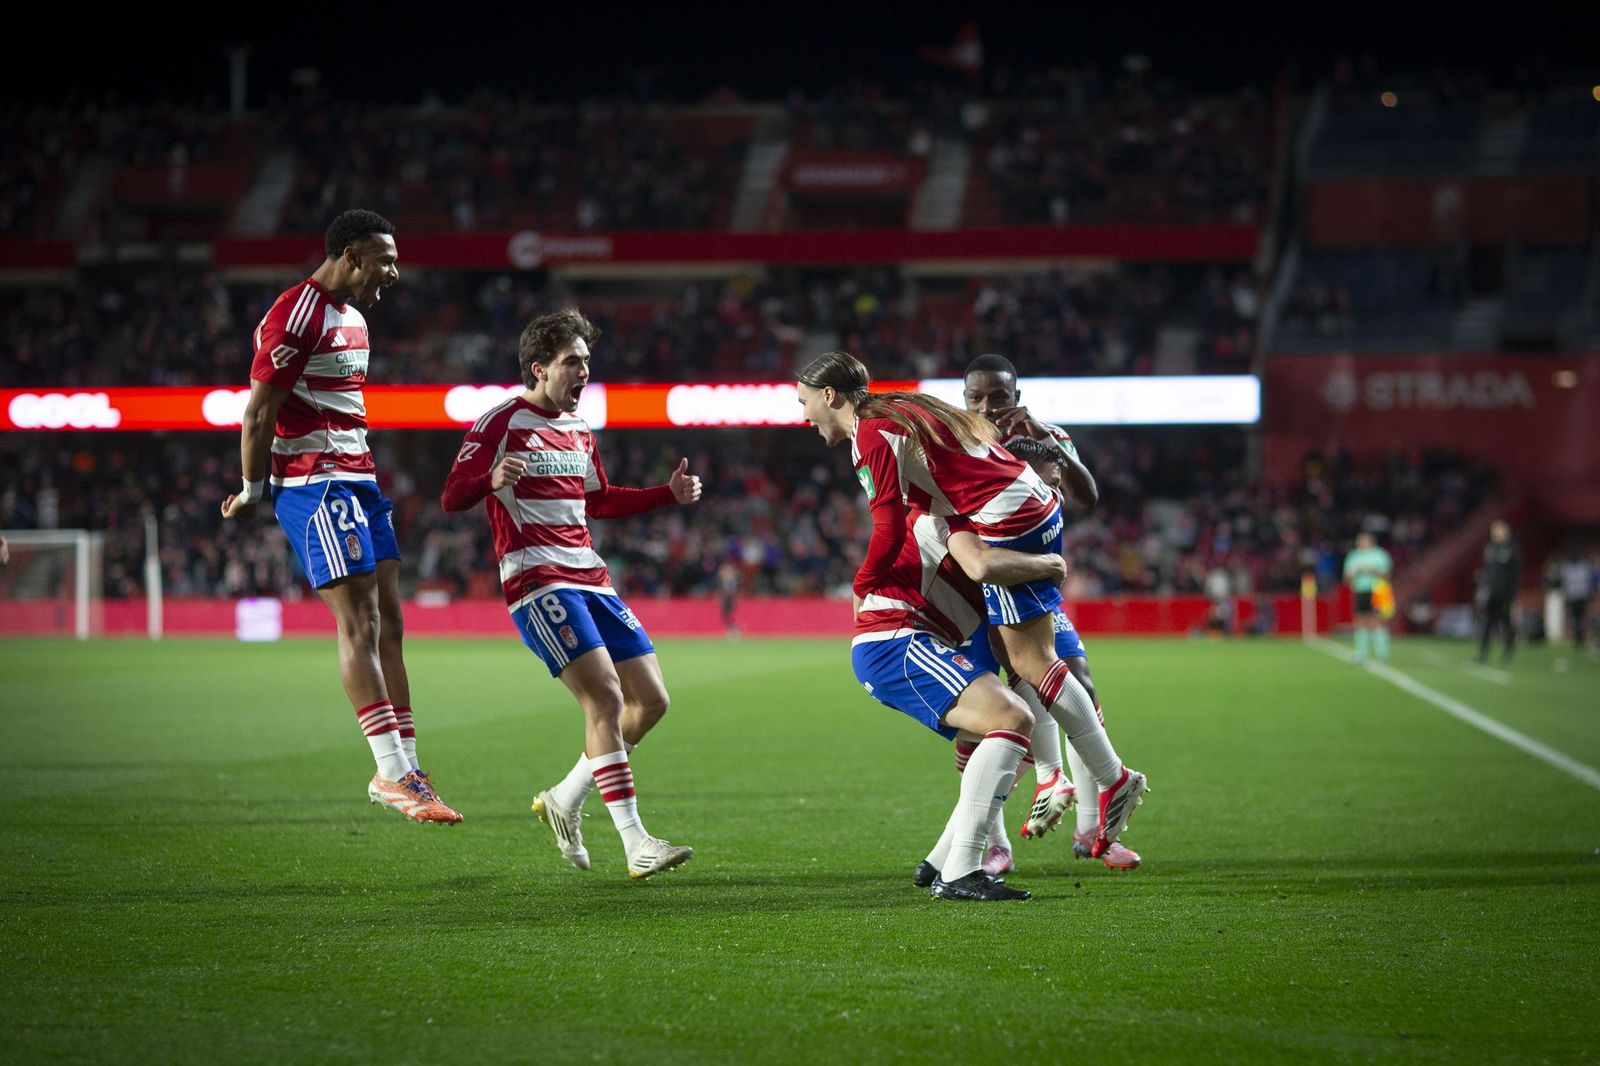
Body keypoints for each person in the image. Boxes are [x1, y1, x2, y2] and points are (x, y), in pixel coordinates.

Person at [797, 351, 1147, 864]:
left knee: (1029, 670)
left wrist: (862, 583)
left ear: (829, 396)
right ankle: (992, 835)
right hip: (1025, 509)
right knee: (1018, 678)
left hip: (1005, 520)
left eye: (804, 402)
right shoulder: (901, 409)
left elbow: (894, 528)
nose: (803, 415)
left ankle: (1108, 782)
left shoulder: (871, 434)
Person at [221, 209, 460, 825]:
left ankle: (406, 767)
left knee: (391, 624)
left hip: (359, 480)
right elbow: (258, 413)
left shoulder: (353, 318)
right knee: (359, 622)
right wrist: (253, 489)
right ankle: (388, 770)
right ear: (352, 254)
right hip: (314, 484)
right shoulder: (295, 314)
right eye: (385, 259)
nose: (394, 272)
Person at [441, 308, 696, 881]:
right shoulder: (500, 421)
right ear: (540, 368)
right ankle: (636, 844)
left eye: (587, 361)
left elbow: (598, 500)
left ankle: (564, 798)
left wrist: (665, 495)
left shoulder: (580, 430)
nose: (584, 371)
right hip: (537, 579)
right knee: (604, 699)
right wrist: (489, 481)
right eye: (572, 362)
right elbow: (451, 495)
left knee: (651, 701)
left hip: (592, 575)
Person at [961, 353, 1142, 870]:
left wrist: (1049, 447)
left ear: (1016, 396)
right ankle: (996, 841)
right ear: (965, 398)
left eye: (998, 396)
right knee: (981, 722)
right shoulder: (957, 445)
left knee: (1075, 684)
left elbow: (1088, 495)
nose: (988, 406)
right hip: (973, 592)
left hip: (1031, 585)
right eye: (976, 397)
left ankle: (1094, 830)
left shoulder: (1046, 436)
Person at [852, 502, 1067, 901]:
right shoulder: (958, 516)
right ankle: (961, 869)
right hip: (898, 640)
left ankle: (942, 861)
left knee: (1010, 733)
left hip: (902, 639)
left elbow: (1012, 655)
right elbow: (981, 565)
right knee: (1013, 719)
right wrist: (1049, 563)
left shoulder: (967, 523)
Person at [1342, 531, 1393, 664]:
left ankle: (1382, 653)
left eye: (1363, 540)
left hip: (1377, 590)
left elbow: (1387, 576)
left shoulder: (1380, 555)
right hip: (1360, 590)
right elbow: (1346, 578)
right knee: (1360, 620)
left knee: (1377, 621)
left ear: (1371, 541)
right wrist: (1355, 573)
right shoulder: (1354, 556)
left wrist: (1371, 571)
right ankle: (1361, 653)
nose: (1360, 543)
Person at [1477, 520, 1522, 664]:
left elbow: (1516, 573)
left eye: (1499, 530)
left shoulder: (1512, 549)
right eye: (1494, 530)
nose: (1496, 533)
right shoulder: (1490, 548)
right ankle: (1483, 653)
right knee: (1487, 623)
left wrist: (1513, 593)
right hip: (1491, 594)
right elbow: (1487, 571)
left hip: (1506, 595)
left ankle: (1508, 653)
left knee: (1507, 623)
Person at [1557, 551, 1597, 650]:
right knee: (1577, 618)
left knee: (1579, 618)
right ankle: (1578, 637)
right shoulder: (1580, 567)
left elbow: (1589, 581)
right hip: (1576, 596)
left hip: (1578, 596)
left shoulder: (1574, 568)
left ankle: (1580, 637)